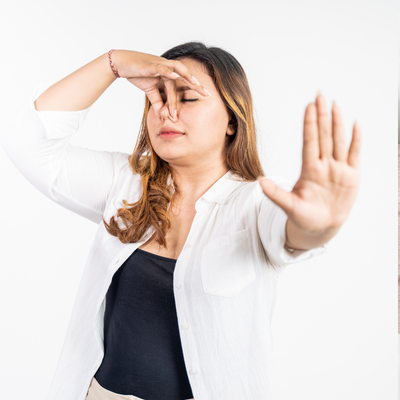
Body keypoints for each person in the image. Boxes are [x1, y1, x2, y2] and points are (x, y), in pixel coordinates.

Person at [0, 42, 361, 400]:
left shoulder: (255, 201)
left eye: (187, 98)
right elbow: (26, 144)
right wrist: (113, 63)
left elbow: (291, 231)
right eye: (157, 98)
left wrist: (317, 226)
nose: (167, 112)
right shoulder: (124, 184)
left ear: (233, 121)